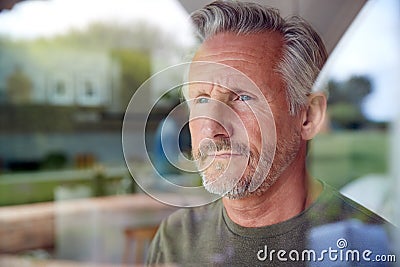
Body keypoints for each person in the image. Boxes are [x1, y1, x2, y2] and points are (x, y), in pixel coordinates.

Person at [146, 1, 393, 266]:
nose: (211, 129)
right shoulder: (175, 239)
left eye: (242, 97)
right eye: (202, 100)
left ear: (308, 116)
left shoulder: (370, 250)